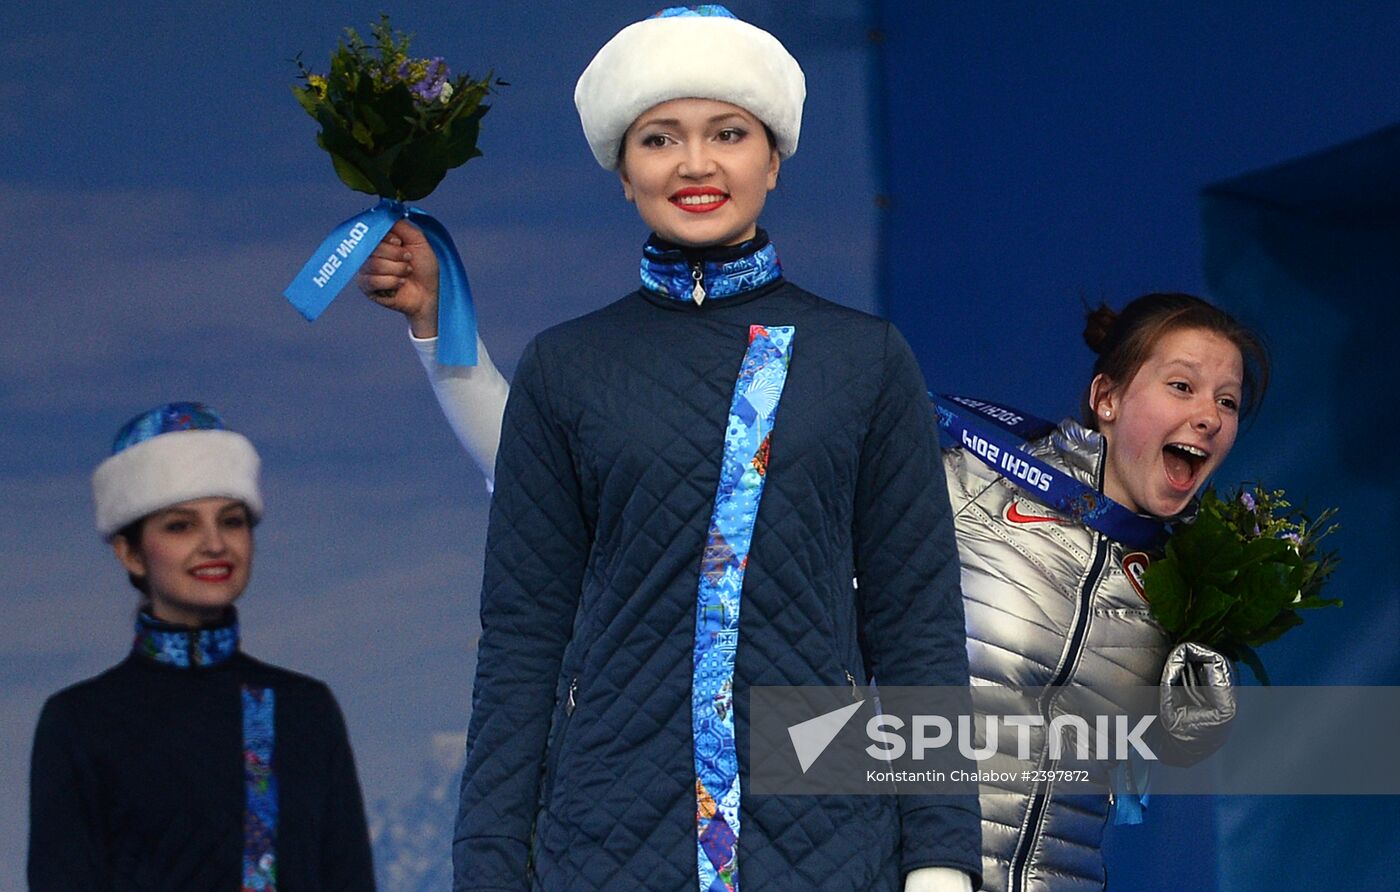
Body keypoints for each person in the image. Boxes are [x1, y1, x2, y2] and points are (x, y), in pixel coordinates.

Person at [361, 7, 979, 892]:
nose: (695, 163)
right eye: (660, 138)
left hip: (827, 841)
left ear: (774, 159)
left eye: (728, 133)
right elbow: (523, 640)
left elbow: (916, 627)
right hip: (608, 834)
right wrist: (489, 862)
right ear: (623, 171)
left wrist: (942, 861)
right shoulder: (567, 366)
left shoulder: (864, 358)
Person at [941, 292, 1265, 891]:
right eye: (1182, 386)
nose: (1210, 416)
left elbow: (1167, 752)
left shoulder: (1184, 584)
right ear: (1107, 399)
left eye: (1227, 401)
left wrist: (1201, 703)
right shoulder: (967, 488)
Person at [28, 402, 376, 891]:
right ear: (129, 551)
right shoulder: (81, 722)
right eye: (180, 525)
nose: (215, 544)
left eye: (232, 521)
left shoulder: (305, 709)